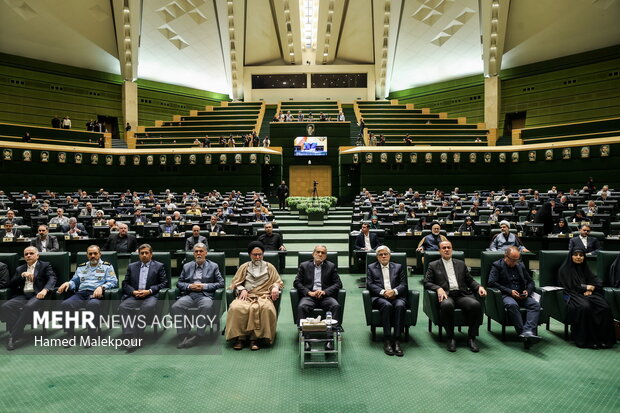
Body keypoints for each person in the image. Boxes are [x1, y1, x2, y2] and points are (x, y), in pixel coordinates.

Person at [424, 241, 487, 352]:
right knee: (447, 305)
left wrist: (479, 287)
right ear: (439, 251)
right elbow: (427, 282)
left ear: (452, 249)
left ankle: (471, 338)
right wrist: (438, 288)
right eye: (444, 248)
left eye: (449, 247)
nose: (447, 249)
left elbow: (470, 281)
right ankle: (451, 338)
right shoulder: (433, 265)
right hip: (447, 295)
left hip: (462, 294)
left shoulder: (460, 264)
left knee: (476, 305)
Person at [225, 241, 283, 350]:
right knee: (236, 308)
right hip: (246, 295)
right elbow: (235, 283)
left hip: (263, 296)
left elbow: (278, 281)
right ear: (249, 255)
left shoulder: (269, 267)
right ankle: (240, 338)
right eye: (255, 255)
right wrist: (241, 289)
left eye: (260, 254)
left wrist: (275, 287)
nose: (257, 257)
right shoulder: (244, 267)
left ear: (263, 254)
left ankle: (255, 339)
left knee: (266, 308)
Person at [57, 245, 118, 346]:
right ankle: (70, 334)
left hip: (96, 294)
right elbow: (75, 281)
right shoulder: (82, 267)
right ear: (87, 255)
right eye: (90, 254)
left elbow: (113, 282)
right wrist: (68, 283)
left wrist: (102, 287)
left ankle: (91, 335)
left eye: (95, 253)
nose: (93, 256)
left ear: (100, 254)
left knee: (92, 305)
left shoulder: (107, 266)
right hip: (81, 293)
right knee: (66, 304)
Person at [557, 248, 615, 349]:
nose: (579, 257)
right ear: (571, 256)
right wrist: (585, 287)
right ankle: (586, 340)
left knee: (604, 307)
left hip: (588, 294)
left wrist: (591, 288)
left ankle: (602, 339)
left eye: (581, 255)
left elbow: (595, 280)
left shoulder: (585, 268)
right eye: (576, 255)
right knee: (585, 307)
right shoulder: (564, 269)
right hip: (572, 294)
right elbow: (569, 286)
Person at [1, 247, 56, 350]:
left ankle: (13, 336)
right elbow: (11, 284)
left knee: (29, 306)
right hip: (24, 295)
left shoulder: (45, 265)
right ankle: (18, 329)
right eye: (26, 254)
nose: (28, 255)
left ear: (37, 255)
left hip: (38, 294)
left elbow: (52, 278)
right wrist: (21, 276)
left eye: (31, 253)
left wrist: (45, 290)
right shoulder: (20, 269)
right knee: (5, 306)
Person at [171, 243, 224, 348]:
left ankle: (198, 336)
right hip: (190, 294)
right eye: (196, 251)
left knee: (206, 306)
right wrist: (190, 286)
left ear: (206, 253)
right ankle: (183, 335)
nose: (198, 253)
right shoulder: (187, 266)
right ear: (193, 253)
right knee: (176, 307)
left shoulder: (213, 266)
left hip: (205, 295)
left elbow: (221, 283)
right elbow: (179, 283)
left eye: (201, 251)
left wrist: (204, 286)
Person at [488, 247, 542, 348]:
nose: (514, 262)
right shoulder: (497, 265)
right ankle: (524, 334)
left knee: (535, 305)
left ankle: (528, 331)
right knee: (512, 305)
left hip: (521, 294)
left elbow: (530, 281)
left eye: (516, 260)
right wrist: (509, 291)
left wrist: (528, 291)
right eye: (512, 260)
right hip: (506, 294)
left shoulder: (520, 265)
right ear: (505, 256)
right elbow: (491, 283)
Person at [118, 244, 168, 352]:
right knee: (123, 307)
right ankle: (128, 335)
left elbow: (164, 283)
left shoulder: (159, 266)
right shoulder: (132, 266)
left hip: (150, 296)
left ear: (151, 254)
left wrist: (149, 291)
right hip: (135, 296)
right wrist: (133, 292)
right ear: (139, 255)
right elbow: (125, 283)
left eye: (146, 253)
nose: (144, 255)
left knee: (148, 307)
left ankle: (136, 337)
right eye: (142, 253)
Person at [294, 245, 342, 351]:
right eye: (318, 252)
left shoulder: (331, 266)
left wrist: (325, 291)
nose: (320, 254)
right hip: (310, 296)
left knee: (335, 305)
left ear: (326, 255)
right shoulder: (304, 265)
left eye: (323, 253)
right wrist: (309, 292)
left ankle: (330, 340)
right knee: (302, 306)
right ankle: (306, 340)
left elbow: (338, 284)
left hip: (325, 296)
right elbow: (297, 282)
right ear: (313, 254)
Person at [366, 245, 408, 356]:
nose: (383, 256)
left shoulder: (398, 267)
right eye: (380, 254)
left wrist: (393, 291)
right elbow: (370, 285)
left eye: (385, 254)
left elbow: (403, 284)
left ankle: (397, 340)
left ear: (389, 255)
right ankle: (387, 340)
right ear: (377, 257)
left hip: (396, 296)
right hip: (380, 297)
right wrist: (384, 292)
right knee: (387, 306)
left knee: (400, 306)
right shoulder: (371, 267)